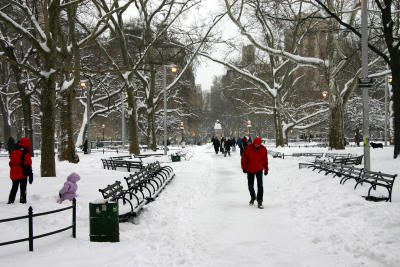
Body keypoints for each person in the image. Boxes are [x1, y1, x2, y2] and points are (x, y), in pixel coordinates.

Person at [241, 137, 268, 209]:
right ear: (253, 143)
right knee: (250, 185)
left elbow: (265, 160)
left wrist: (266, 169)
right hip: (250, 169)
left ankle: (260, 201)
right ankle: (253, 197)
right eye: (256, 144)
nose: (257, 145)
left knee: (260, 186)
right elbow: (243, 158)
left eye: (258, 144)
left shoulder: (263, 149)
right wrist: (244, 168)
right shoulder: (248, 148)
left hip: (259, 169)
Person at [8, 137, 33, 204]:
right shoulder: (25, 151)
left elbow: (10, 162)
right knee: (23, 188)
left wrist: (14, 168)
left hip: (13, 172)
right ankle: (22, 201)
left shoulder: (14, 149)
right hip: (22, 172)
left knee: (14, 187)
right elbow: (28, 163)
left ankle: (11, 200)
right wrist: (30, 174)